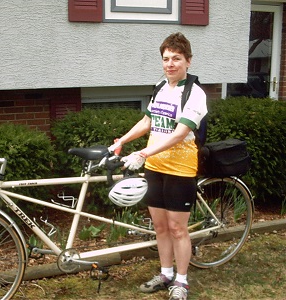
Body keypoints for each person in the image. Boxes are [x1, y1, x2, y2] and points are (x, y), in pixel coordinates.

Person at [109, 32, 207, 300]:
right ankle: (165, 274)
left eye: (176, 58)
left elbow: (178, 133)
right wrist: (121, 141)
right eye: (166, 59)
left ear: (188, 61)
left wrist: (141, 152)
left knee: (178, 229)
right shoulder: (161, 87)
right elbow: (147, 122)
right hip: (155, 167)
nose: (170, 64)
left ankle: (182, 281)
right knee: (161, 227)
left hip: (180, 169)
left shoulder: (195, 94)